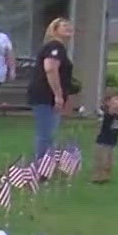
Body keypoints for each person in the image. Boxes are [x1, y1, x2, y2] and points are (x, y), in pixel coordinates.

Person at [28, 18, 75, 159]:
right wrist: (58, 95)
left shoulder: (59, 48)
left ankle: (45, 164)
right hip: (45, 95)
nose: (69, 27)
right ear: (55, 30)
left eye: (69, 25)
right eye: (64, 26)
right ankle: (41, 167)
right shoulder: (54, 47)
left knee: (48, 133)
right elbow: (50, 68)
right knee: (45, 134)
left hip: (49, 95)